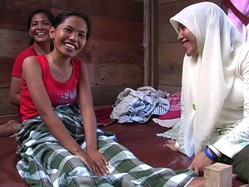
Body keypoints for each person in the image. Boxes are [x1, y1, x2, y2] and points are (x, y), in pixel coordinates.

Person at [16, 9, 203, 187]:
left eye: (81, 35)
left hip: (74, 123)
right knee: (76, 166)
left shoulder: (79, 66)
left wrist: (92, 148)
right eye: (68, 30)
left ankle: (179, 183)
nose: (74, 38)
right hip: (41, 128)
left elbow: (87, 109)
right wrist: (79, 152)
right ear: (52, 32)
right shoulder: (32, 63)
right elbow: (46, 113)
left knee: (118, 155)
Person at [165, 2, 249, 183]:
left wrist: (213, 152)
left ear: (204, 24)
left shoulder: (244, 55)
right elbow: (188, 108)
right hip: (210, 142)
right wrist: (183, 143)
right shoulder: (192, 62)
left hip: (242, 141)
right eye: (178, 30)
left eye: (183, 28)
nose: (179, 36)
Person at [0, 9, 54, 137]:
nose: (39, 27)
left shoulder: (60, 57)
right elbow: (14, 96)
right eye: (35, 24)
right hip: (35, 113)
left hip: (59, 111)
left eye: (45, 23)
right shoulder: (25, 58)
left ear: (54, 29)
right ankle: (17, 127)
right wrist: (45, 103)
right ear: (30, 32)